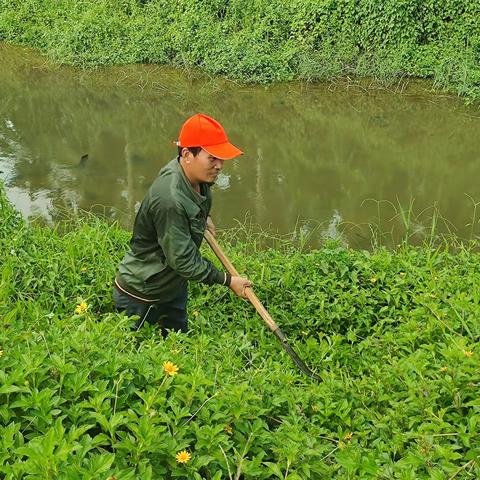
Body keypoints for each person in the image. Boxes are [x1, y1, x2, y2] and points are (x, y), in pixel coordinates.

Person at [113, 113, 252, 333]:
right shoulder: (169, 198)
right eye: (212, 158)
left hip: (172, 288)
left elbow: (192, 202)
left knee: (179, 346)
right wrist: (228, 280)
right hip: (142, 294)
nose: (219, 166)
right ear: (187, 154)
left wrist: (202, 217)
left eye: (221, 158)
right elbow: (185, 262)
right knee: (136, 358)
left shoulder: (194, 175)